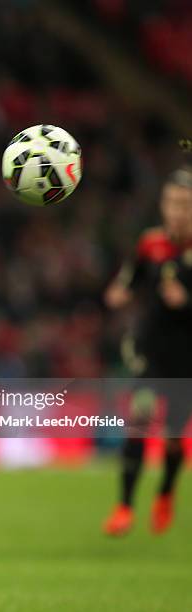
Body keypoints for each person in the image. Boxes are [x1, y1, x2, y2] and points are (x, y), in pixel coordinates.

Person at [103, 166, 192, 536]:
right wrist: (118, 293)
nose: (177, 211)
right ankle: (124, 507)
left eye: (185, 204)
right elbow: (129, 280)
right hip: (150, 348)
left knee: (174, 436)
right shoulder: (150, 243)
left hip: (186, 356)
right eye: (172, 202)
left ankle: (166, 493)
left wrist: (187, 301)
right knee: (139, 422)